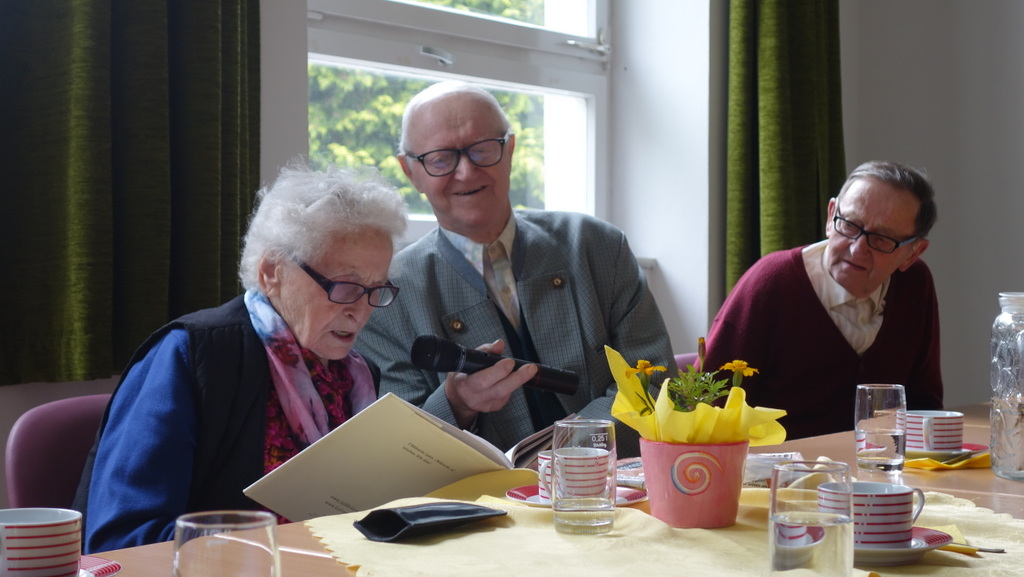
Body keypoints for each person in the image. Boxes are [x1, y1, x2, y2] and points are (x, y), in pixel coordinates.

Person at [74, 162, 407, 552]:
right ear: (272, 271)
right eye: (346, 286)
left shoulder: (356, 377)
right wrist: (270, 550)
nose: (361, 311)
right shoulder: (192, 357)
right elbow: (121, 538)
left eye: (376, 289)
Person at [357, 81, 674, 458]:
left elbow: (653, 383)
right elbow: (400, 447)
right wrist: (456, 403)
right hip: (479, 494)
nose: (466, 172)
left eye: (482, 150)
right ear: (410, 170)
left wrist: (557, 458)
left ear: (509, 149)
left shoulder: (596, 246)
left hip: (613, 482)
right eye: (441, 159)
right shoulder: (386, 294)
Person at [703, 160, 942, 439]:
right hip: (777, 463)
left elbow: (924, 406)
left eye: (882, 239)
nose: (857, 249)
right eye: (849, 225)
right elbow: (705, 404)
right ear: (831, 217)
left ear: (913, 253)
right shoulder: (772, 282)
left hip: (876, 463)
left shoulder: (914, 284)